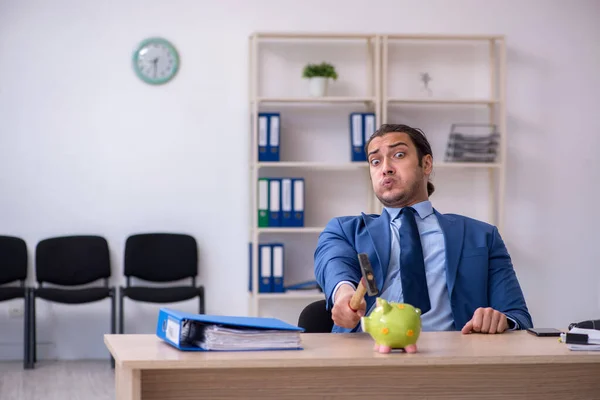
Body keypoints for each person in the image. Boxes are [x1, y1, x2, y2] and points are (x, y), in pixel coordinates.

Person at [314, 123, 532, 353]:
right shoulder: (344, 230)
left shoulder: (483, 236)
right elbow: (334, 266)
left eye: (398, 155)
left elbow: (518, 316)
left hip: (453, 360)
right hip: (366, 358)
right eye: (375, 161)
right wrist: (344, 295)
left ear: (426, 164)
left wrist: (501, 320)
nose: (385, 168)